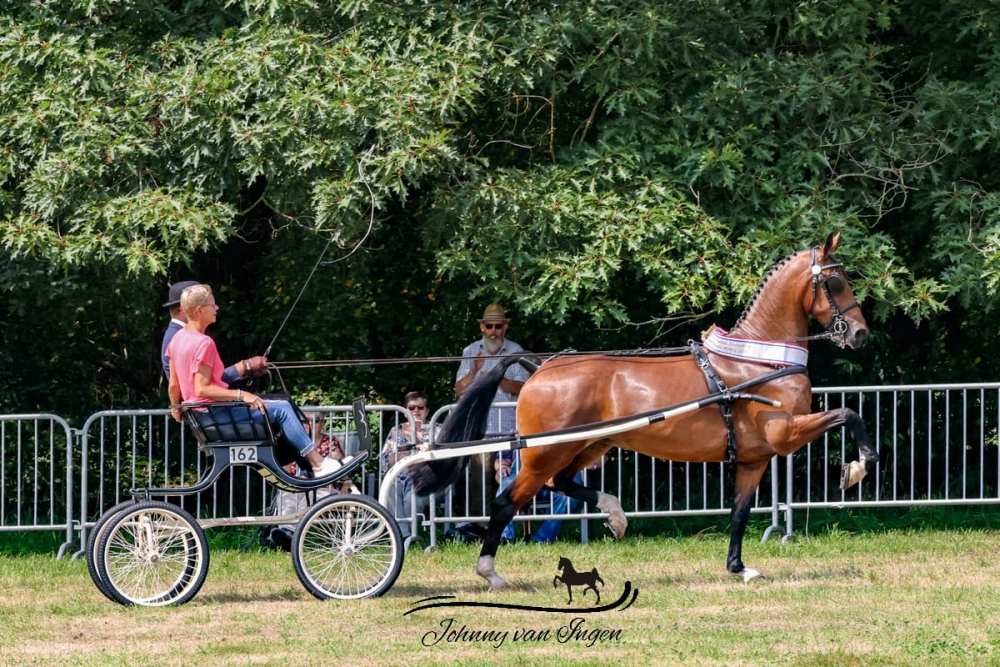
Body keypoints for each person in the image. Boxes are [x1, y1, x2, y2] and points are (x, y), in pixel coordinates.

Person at [166, 283, 350, 478]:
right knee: (283, 409)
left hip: (202, 417)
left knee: (277, 406)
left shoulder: (177, 339)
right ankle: (318, 464)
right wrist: (243, 395)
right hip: (215, 414)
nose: (217, 308)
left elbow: (173, 385)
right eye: (212, 305)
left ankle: (310, 465)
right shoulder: (204, 343)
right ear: (199, 311)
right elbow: (202, 389)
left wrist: (176, 407)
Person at [450, 304, 531, 541]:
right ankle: (480, 527)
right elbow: (459, 390)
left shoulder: (516, 351)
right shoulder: (471, 351)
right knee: (480, 478)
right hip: (481, 429)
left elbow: (524, 388)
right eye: (489, 326)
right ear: (482, 327)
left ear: (505, 327)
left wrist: (497, 378)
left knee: (510, 479)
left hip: (510, 430)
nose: (494, 331)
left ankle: (504, 529)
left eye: (498, 326)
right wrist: (474, 371)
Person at [161, 280, 268, 385]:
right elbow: (198, 385)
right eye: (209, 304)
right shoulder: (179, 337)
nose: (216, 307)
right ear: (183, 309)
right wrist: (244, 367)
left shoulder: (181, 334)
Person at [496, 454, 605, 544]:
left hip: (562, 475)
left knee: (569, 496)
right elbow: (503, 455)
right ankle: (504, 537)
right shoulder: (520, 432)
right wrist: (502, 466)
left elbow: (603, 455)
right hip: (523, 474)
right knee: (505, 489)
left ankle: (542, 539)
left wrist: (591, 463)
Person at [380, 392, 434, 538]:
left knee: (412, 498)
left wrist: (418, 441)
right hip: (399, 477)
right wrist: (401, 456)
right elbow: (385, 462)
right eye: (411, 408)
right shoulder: (395, 431)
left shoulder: (437, 429)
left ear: (427, 411)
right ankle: (403, 537)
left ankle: (410, 536)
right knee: (390, 492)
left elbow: (442, 459)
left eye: (420, 407)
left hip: (427, 479)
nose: (416, 410)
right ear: (405, 412)